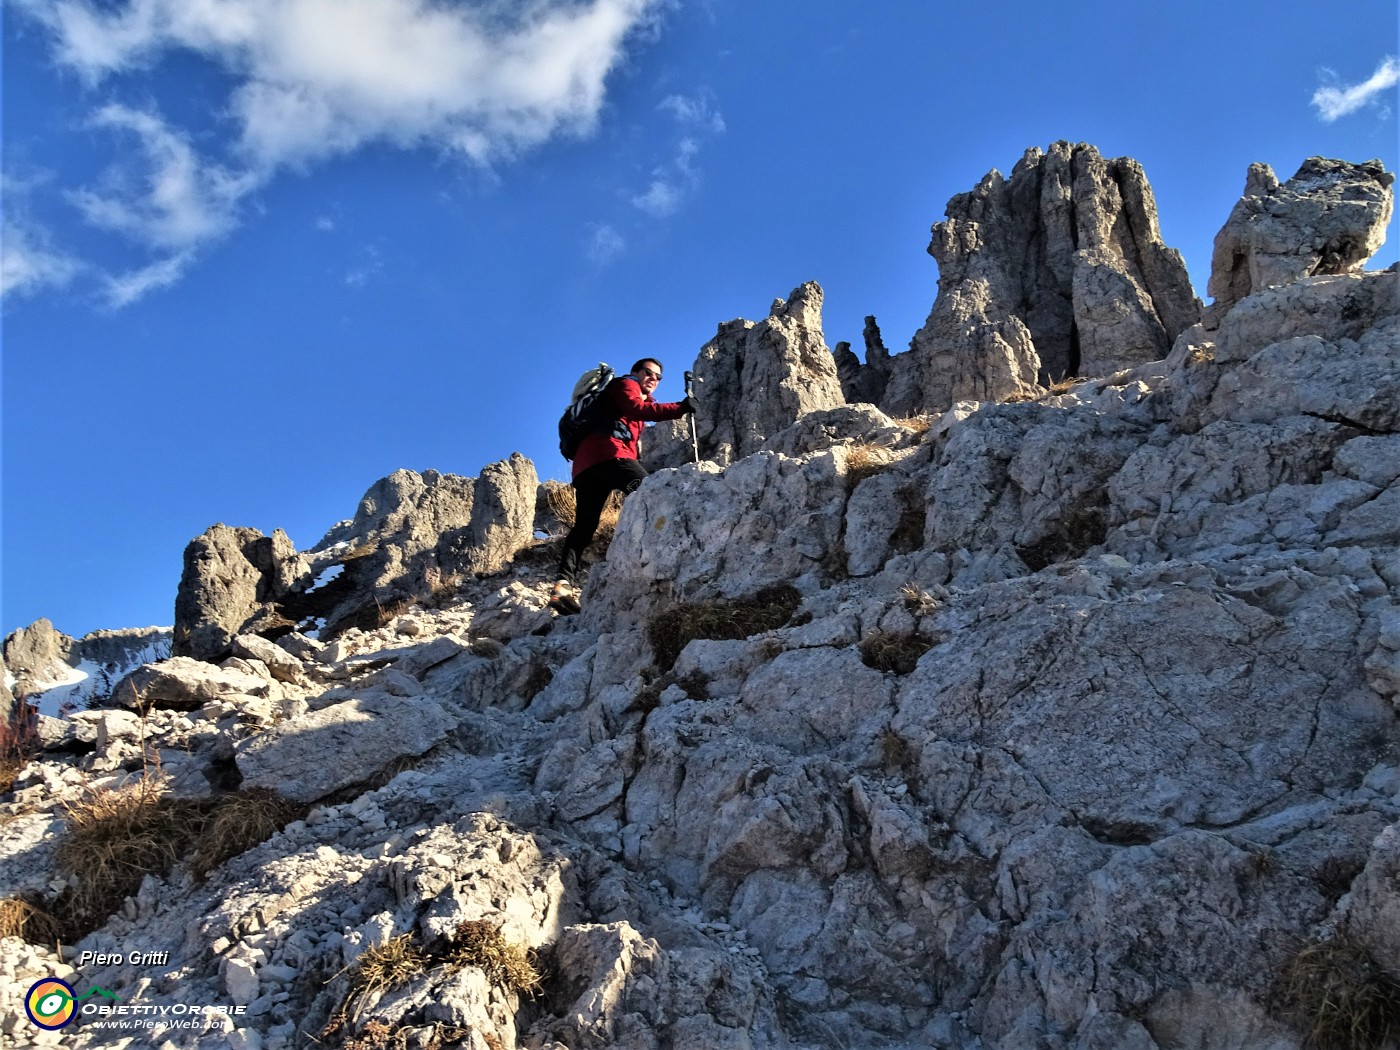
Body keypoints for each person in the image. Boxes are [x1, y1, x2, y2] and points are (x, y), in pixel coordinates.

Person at [551, 358, 696, 613]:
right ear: (635, 372)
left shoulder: (627, 395)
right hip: (610, 455)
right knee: (652, 494)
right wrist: (681, 408)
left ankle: (562, 584)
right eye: (648, 373)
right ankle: (656, 563)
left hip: (586, 468)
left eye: (658, 377)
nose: (653, 379)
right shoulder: (625, 385)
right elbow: (636, 410)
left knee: (584, 527)